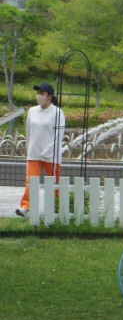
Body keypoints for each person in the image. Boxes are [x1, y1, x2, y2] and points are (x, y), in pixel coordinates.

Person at [16, 82, 65, 218]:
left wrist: (47, 152)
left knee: (55, 183)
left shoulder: (57, 112)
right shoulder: (32, 111)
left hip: (51, 156)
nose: (39, 96)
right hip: (34, 154)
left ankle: (60, 208)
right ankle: (26, 207)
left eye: (42, 93)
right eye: (38, 93)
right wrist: (29, 149)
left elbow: (58, 136)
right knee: (30, 181)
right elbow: (29, 132)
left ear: (49, 96)